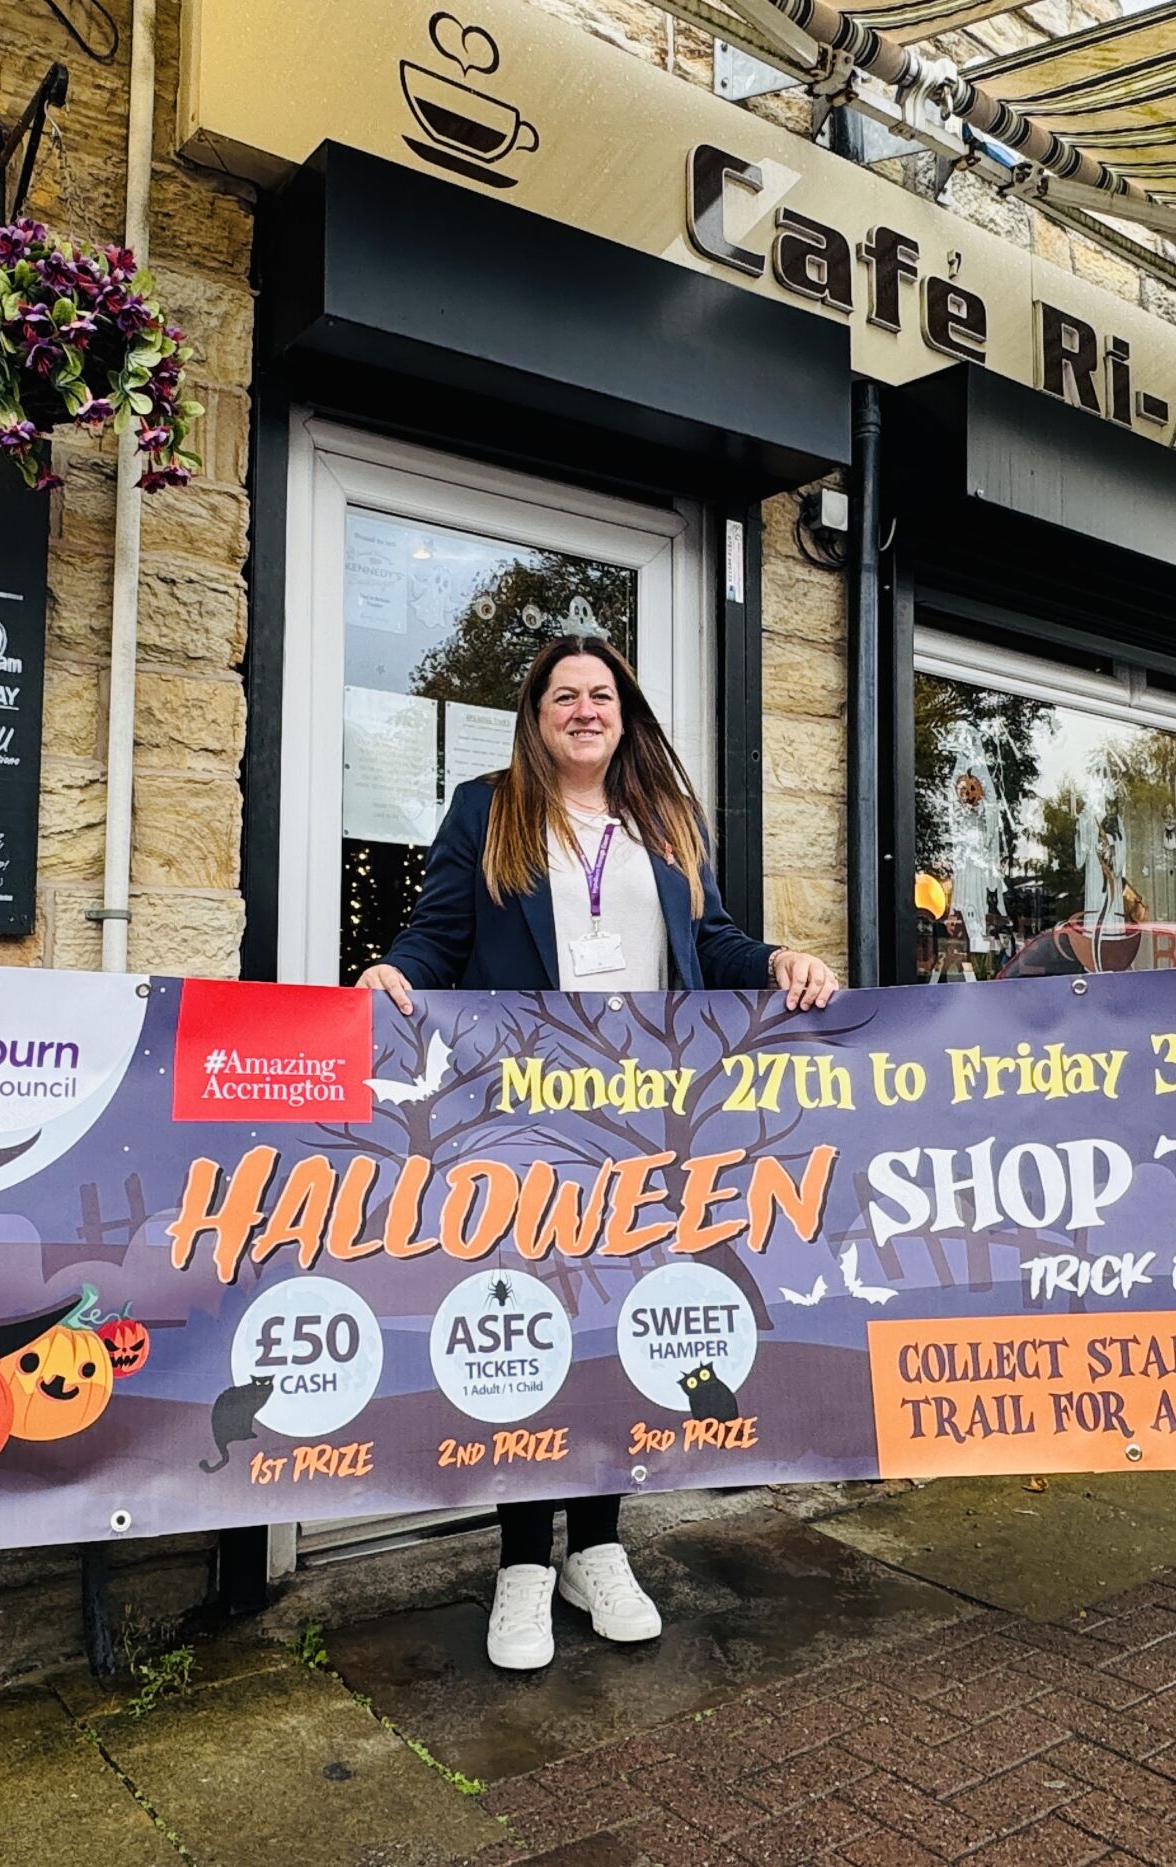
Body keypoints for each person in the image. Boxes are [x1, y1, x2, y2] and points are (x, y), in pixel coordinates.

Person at [357, 634, 840, 1671]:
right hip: (524, 1113)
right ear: (535, 717)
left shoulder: (664, 818)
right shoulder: (488, 811)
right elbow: (437, 936)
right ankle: (523, 1565)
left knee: (623, 1321)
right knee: (537, 1324)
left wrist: (777, 959)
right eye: (564, 695)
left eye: (602, 694)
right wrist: (392, 973)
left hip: (643, 1117)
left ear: (624, 714)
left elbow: (709, 943)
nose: (585, 708)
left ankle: (600, 1547)